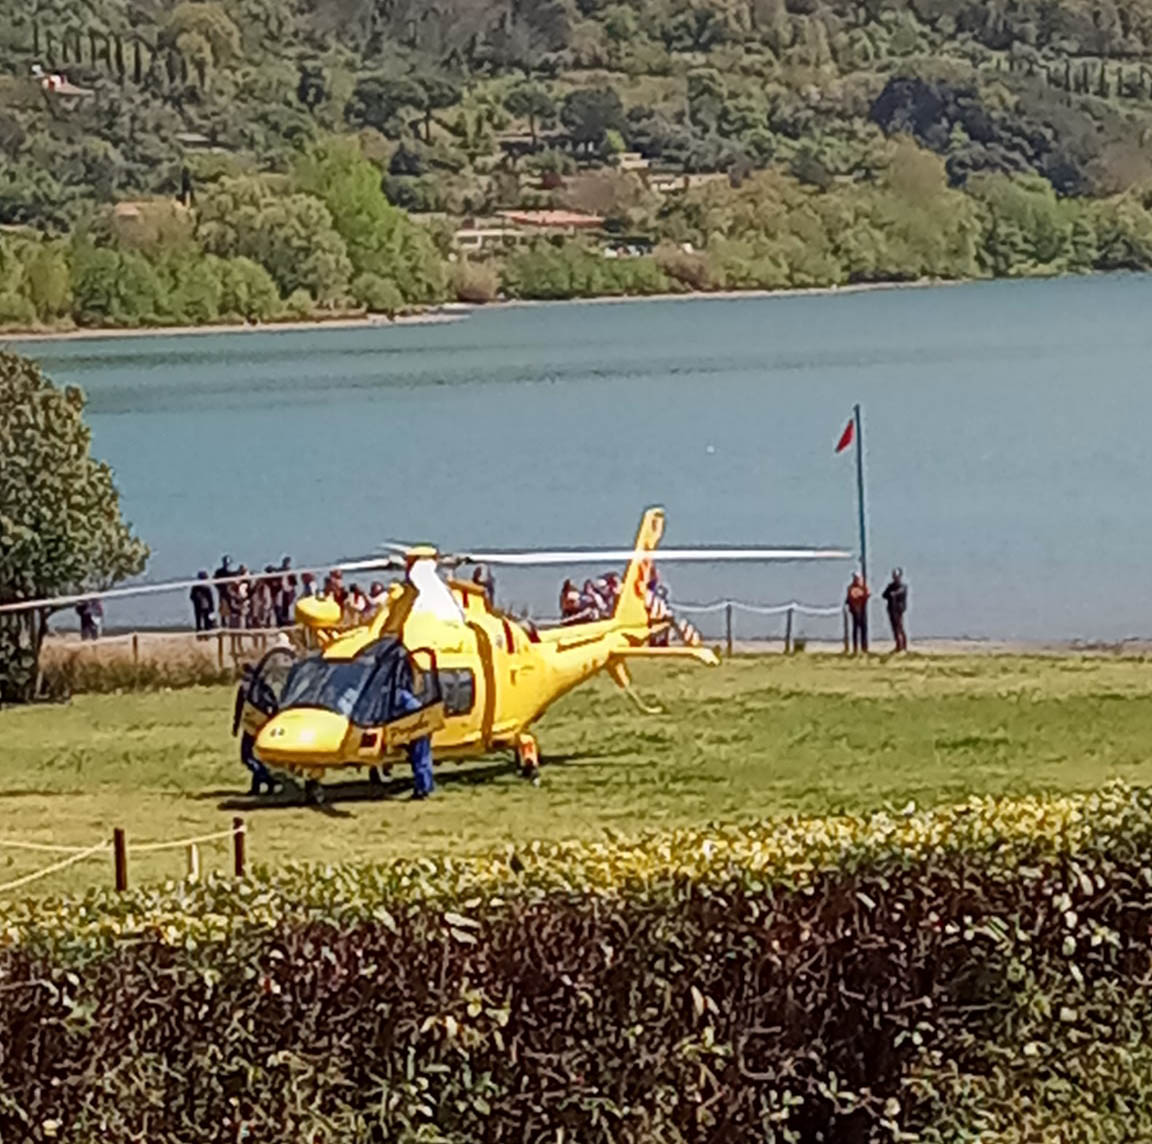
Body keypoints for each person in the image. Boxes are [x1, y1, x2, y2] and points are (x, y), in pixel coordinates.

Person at [395, 681, 434, 800]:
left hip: (418, 732)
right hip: (421, 730)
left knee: (420, 760)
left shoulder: (402, 699)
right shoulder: (408, 699)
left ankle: (422, 790)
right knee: (423, 759)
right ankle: (424, 788)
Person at [882, 568, 909, 652]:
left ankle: (903, 646)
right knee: (894, 628)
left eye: (897, 576)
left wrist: (894, 594)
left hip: (899, 610)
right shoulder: (890, 586)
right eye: (894, 576)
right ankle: (898, 645)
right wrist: (890, 594)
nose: (895, 578)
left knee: (900, 627)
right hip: (891, 609)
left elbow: (900, 593)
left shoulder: (903, 586)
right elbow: (884, 595)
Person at [846, 573, 870, 654]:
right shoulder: (851, 588)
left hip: (862, 612)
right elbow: (850, 598)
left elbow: (867, 595)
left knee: (864, 630)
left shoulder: (863, 587)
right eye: (854, 578)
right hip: (855, 612)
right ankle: (855, 648)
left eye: (857, 578)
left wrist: (863, 593)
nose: (855, 579)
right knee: (855, 631)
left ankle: (864, 648)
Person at [276, 556, 297, 627]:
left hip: (288, 590)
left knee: (288, 606)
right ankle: (281, 621)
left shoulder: (291, 572)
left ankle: (287, 620)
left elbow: (294, 582)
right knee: (279, 606)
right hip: (281, 590)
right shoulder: (280, 571)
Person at [214, 555, 234, 629]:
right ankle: (224, 623)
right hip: (223, 593)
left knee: (232, 607)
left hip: (231, 593)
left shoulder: (231, 573)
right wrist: (220, 588)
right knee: (223, 608)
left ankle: (231, 623)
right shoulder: (219, 572)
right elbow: (215, 581)